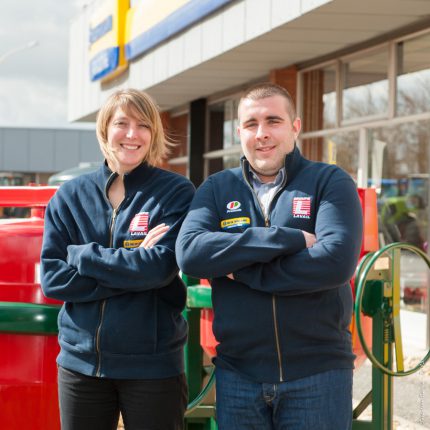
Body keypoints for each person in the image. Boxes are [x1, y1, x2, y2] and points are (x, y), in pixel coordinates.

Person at [176, 83, 363, 430]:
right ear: (239, 132)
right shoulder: (217, 189)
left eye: (273, 121)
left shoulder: (329, 182)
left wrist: (239, 269)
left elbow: (335, 262)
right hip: (238, 376)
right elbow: (190, 253)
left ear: (295, 127)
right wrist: (288, 239)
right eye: (251, 124)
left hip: (318, 375)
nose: (261, 134)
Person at [41, 88, 195, 430]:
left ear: (153, 134)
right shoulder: (69, 197)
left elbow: (158, 268)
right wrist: (131, 265)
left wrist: (82, 255)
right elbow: (52, 279)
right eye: (121, 123)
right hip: (80, 366)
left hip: (153, 368)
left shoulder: (176, 192)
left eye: (143, 125)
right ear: (104, 129)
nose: (131, 134)